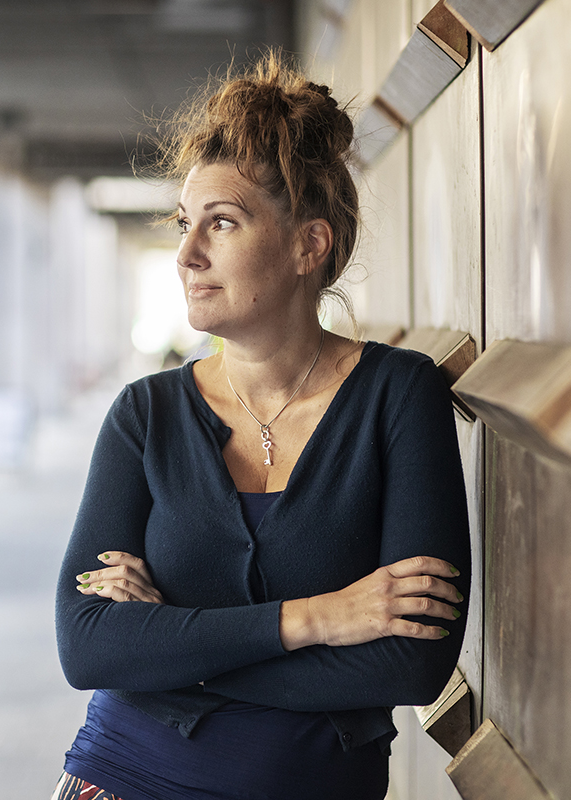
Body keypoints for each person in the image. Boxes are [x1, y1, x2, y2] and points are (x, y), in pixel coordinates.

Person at [52, 51, 470, 800]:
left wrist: (172, 638)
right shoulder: (144, 417)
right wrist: (323, 618)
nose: (187, 255)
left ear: (309, 245)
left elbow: (413, 662)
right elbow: (87, 648)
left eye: (222, 223)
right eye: (186, 225)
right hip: (125, 776)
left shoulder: (396, 397)